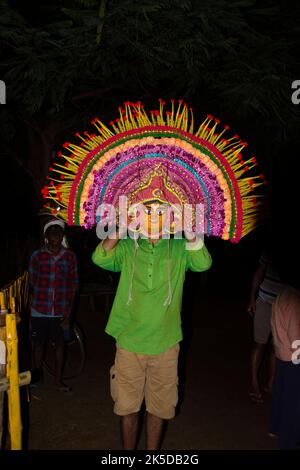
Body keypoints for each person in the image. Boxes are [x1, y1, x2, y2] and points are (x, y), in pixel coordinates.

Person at [92, 200, 212, 450]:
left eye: (162, 211)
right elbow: (100, 257)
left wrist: (187, 227)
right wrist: (122, 225)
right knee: (128, 410)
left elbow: (203, 263)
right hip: (129, 342)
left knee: (159, 409)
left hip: (166, 344)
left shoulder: (179, 247)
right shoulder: (128, 247)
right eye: (148, 210)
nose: (155, 216)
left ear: (171, 215)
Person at [28, 219, 78, 392]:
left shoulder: (70, 257)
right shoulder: (37, 256)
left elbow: (74, 286)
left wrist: (69, 314)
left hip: (61, 311)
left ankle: (58, 381)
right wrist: (29, 313)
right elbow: (31, 286)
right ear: (46, 236)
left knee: (60, 345)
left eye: (59, 231)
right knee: (38, 345)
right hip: (39, 310)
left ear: (63, 235)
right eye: (52, 231)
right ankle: (36, 379)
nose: (56, 234)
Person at [247, 251, 285, 403]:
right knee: (260, 345)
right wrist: (252, 299)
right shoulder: (270, 249)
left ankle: (271, 383)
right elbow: (258, 275)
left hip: (283, 305)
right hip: (264, 301)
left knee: (278, 347)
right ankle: (254, 384)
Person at [269, 283, 300, 449]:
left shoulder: (281, 296)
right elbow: (296, 339)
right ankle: (288, 441)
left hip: (281, 355)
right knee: (293, 402)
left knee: (280, 394)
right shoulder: (294, 300)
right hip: (293, 359)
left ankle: (275, 428)